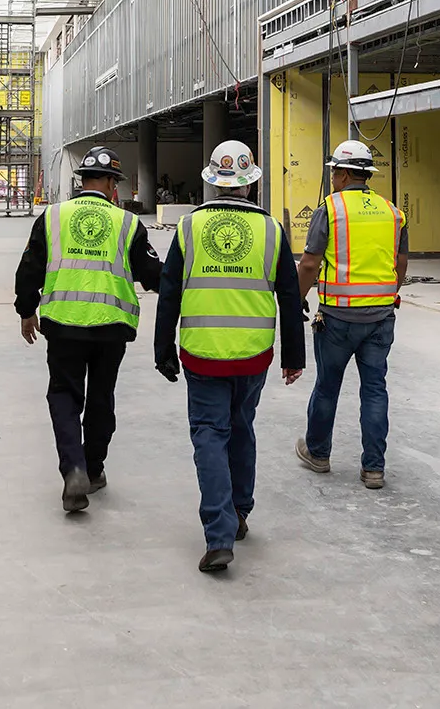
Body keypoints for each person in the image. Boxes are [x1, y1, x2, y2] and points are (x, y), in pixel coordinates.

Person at [153, 140, 305, 573]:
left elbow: (169, 294)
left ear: (212, 183)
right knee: (241, 428)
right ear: (251, 186)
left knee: (209, 435)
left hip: (202, 355)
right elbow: (290, 299)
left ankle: (219, 536)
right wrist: (294, 356)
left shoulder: (187, 229)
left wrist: (163, 350)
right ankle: (240, 511)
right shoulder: (273, 231)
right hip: (254, 355)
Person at [14, 146, 162, 513]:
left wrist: (26, 310)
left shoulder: (52, 217)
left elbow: (29, 268)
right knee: (100, 399)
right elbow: (153, 275)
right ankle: (93, 471)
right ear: (113, 184)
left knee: (64, 395)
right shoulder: (127, 223)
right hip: (111, 329)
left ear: (82, 181)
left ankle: (74, 468)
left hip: (63, 325)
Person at [295, 138, 405, 490]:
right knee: (375, 390)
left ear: (343, 174)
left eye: (333, 173)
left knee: (327, 387)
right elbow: (400, 263)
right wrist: (388, 294)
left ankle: (318, 453)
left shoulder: (331, 208)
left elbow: (310, 261)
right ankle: (373, 468)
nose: (331, 178)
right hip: (380, 318)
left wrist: (296, 298)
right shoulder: (392, 211)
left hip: (338, 318)